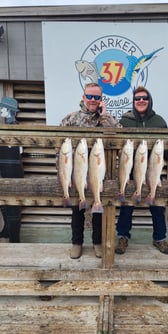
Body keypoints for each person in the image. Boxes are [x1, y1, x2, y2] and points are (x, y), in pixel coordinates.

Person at [60, 82, 121, 259]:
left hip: (98, 172)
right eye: (90, 96)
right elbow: (60, 147)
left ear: (101, 99)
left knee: (97, 211)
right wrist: (63, 173)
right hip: (76, 171)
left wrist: (104, 116)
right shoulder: (70, 119)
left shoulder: (106, 119)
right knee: (77, 210)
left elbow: (119, 134)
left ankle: (97, 243)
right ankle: (76, 243)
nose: (93, 100)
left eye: (97, 97)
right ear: (83, 97)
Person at [115, 86, 168, 255]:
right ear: (133, 102)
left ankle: (160, 238)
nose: (141, 101)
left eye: (144, 98)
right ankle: (123, 237)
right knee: (126, 205)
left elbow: (167, 146)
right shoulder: (125, 121)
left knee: (157, 205)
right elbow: (118, 145)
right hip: (132, 170)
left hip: (153, 169)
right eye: (137, 98)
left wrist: (160, 157)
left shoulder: (159, 121)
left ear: (149, 101)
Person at [0, 96, 24, 243]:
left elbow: (20, 151)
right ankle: (6, 229)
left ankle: (15, 239)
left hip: (13, 171)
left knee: (13, 205)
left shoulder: (17, 129)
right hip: (2, 169)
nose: (0, 109)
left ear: (10, 111)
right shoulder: (3, 129)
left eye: (2, 108)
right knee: (2, 202)